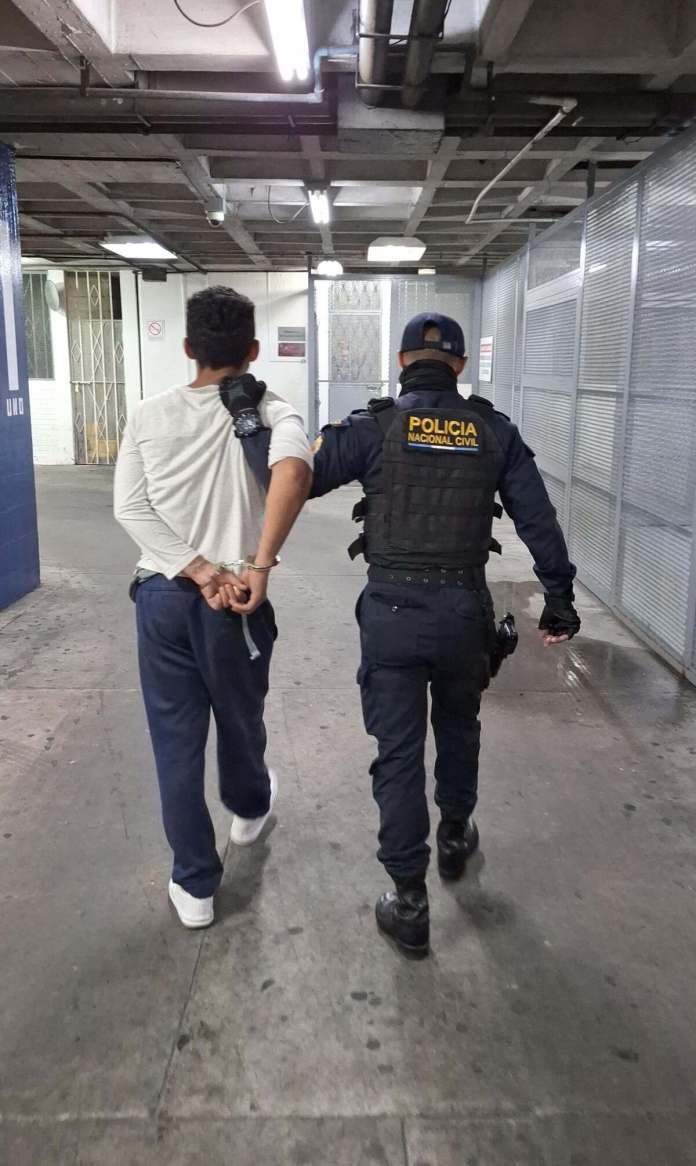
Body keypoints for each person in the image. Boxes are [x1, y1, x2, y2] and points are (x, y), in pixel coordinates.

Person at [311, 312, 580, 958]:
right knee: (459, 729)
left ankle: (409, 902)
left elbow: (296, 475)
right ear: (459, 367)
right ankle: (455, 839)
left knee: (398, 753)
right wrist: (559, 600)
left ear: (403, 361)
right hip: (462, 611)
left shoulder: (372, 428)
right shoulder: (493, 431)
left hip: (391, 615)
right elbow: (537, 519)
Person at [114, 286, 312, 929]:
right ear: (253, 351)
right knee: (240, 714)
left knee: (175, 741)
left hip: (164, 598)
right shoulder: (272, 410)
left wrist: (191, 569)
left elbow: (130, 508)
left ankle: (195, 886)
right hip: (238, 599)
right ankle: (250, 808)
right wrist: (250, 565)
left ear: (188, 348)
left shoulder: (148, 414)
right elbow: (295, 470)